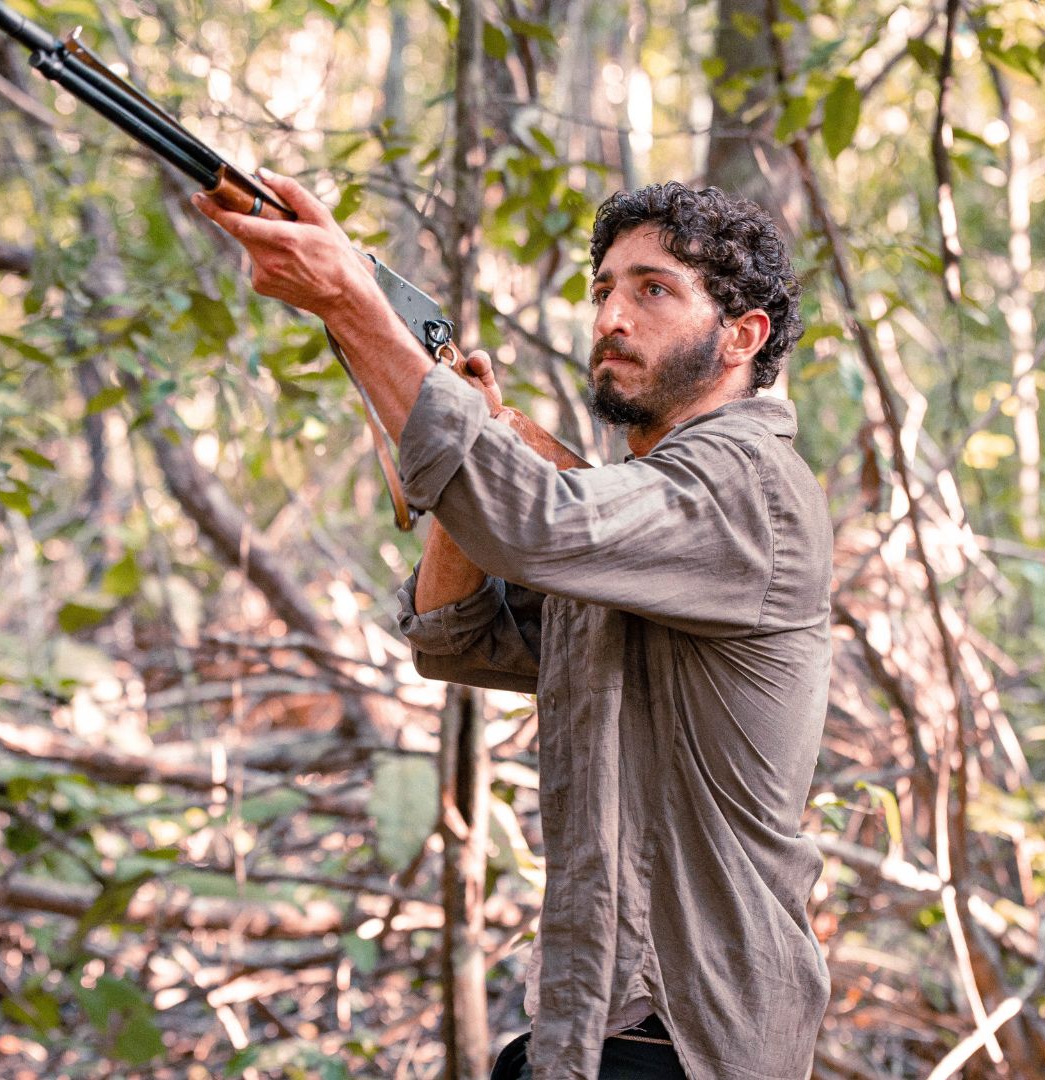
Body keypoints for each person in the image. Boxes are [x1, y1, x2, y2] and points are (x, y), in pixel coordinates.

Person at [194, 176, 831, 1080]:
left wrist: (350, 299)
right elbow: (455, 636)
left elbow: (531, 522)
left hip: (691, 1042)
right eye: (603, 287)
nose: (613, 313)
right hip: (595, 1030)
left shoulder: (746, 487)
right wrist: (478, 428)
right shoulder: (636, 524)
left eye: (654, 289)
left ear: (743, 335)